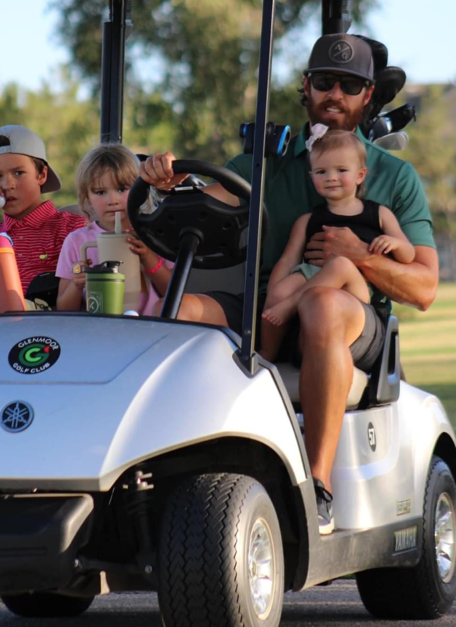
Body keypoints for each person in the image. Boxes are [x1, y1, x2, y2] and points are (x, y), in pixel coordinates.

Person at [140, 34, 439, 534]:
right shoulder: (266, 162)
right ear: (305, 86)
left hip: (351, 320)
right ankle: (160, 478)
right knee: (179, 312)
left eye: (350, 85)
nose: (334, 94)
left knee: (321, 302)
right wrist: (161, 184)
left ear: (368, 95)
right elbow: (196, 205)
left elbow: (425, 288)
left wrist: (359, 256)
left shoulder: (392, 177)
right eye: (324, 82)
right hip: (268, 309)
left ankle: (316, 489)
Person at [259, 128, 414, 359]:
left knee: (340, 265)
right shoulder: (307, 220)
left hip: (352, 287)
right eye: (321, 171)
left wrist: (393, 243)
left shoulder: (378, 214)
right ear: (312, 177)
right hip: (311, 276)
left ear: (360, 175)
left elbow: (408, 254)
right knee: (280, 290)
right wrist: (274, 292)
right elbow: (288, 259)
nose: (330, 177)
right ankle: (266, 354)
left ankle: (291, 304)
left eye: (341, 170)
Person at [0, 125, 86, 296]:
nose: (7, 185)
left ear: (41, 175)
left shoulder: (73, 228)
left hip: (53, 322)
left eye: (18, 173)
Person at [55, 144, 173, 314]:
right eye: (101, 192)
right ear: (86, 197)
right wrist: (76, 284)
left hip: (149, 327)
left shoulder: (155, 234)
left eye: (122, 189)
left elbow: (173, 293)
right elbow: (63, 309)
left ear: (140, 190)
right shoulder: (76, 241)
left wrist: (148, 257)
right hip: (98, 329)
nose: (112, 200)